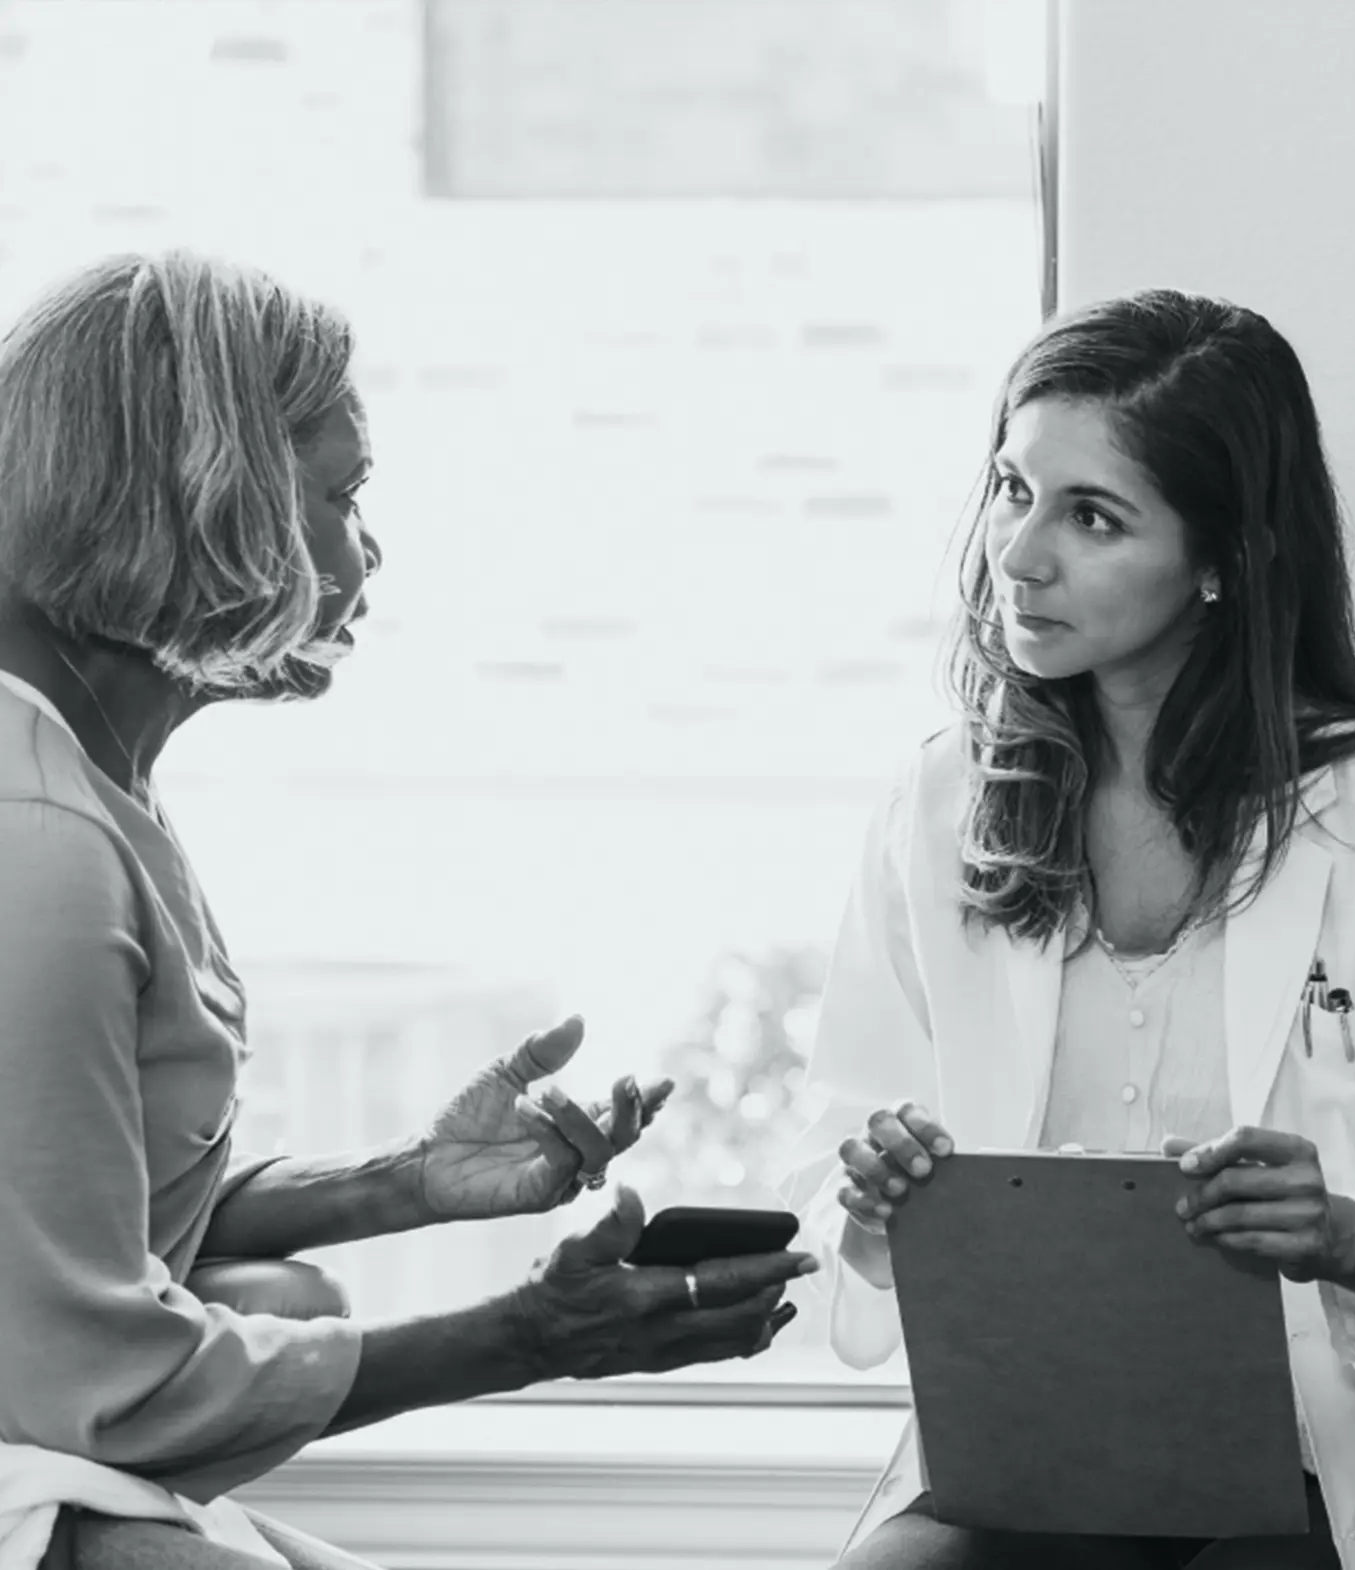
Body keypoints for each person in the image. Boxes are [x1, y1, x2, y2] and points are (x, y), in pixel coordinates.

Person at [0, 251, 818, 1570]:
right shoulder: (33, 842)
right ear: (214, 501)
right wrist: (534, 1337)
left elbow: (68, 1227)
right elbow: (86, 1379)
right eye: (346, 493)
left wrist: (407, 1183)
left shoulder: (88, 777)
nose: (367, 548)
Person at [781, 288, 1355, 1569]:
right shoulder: (943, 802)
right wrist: (878, 1193)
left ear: (1223, 556)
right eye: (1012, 488)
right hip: (1032, 1448)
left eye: (1091, 516)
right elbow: (843, 1121)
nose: (1020, 554)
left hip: (1324, 1464)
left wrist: (1344, 1225)